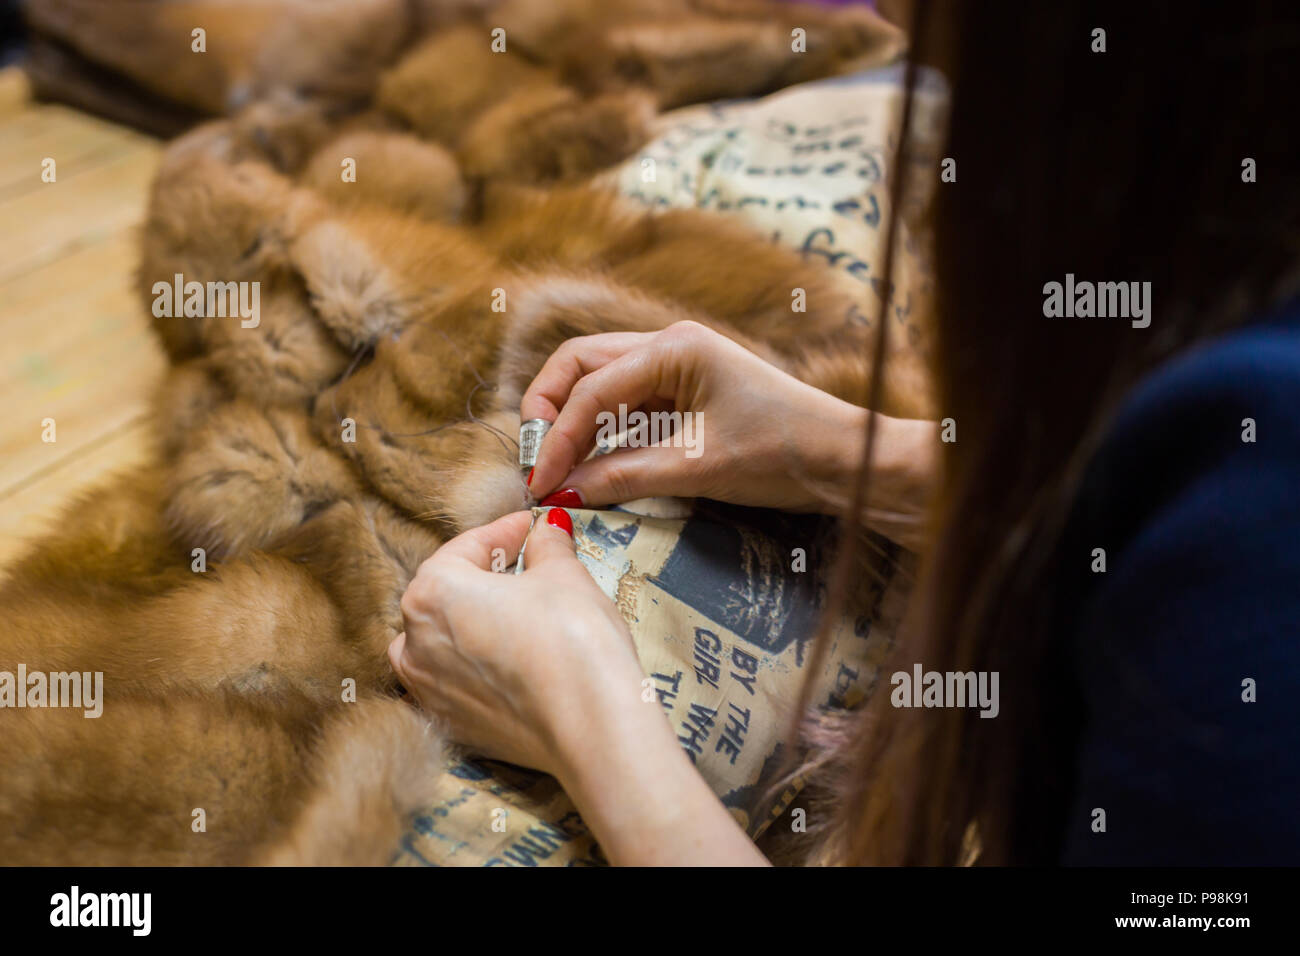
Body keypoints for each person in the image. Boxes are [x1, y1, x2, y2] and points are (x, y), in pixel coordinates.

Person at [388, 1, 1300, 865]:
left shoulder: (1251, 555)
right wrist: (850, 458)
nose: (900, 49)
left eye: (946, 52)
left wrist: (585, 718)